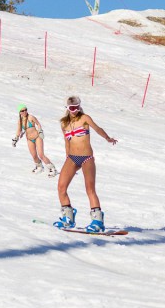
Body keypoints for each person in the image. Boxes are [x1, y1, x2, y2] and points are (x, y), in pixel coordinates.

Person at [54, 96, 117, 233]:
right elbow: (67, 142)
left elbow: (97, 128)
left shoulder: (85, 118)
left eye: (77, 107)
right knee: (61, 187)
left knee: (90, 188)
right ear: (67, 108)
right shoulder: (64, 123)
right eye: (72, 108)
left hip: (86, 158)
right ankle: (68, 218)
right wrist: (67, 158)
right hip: (72, 158)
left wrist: (107, 138)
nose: (74, 110)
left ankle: (97, 221)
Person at [12, 104, 57, 177]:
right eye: (22, 110)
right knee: (34, 155)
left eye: (26, 109)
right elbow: (19, 130)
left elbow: (38, 124)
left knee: (41, 154)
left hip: (37, 137)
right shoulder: (20, 120)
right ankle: (39, 167)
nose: (25, 111)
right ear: (19, 112)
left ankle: (52, 169)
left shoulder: (31, 117)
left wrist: (40, 131)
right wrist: (15, 139)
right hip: (29, 139)